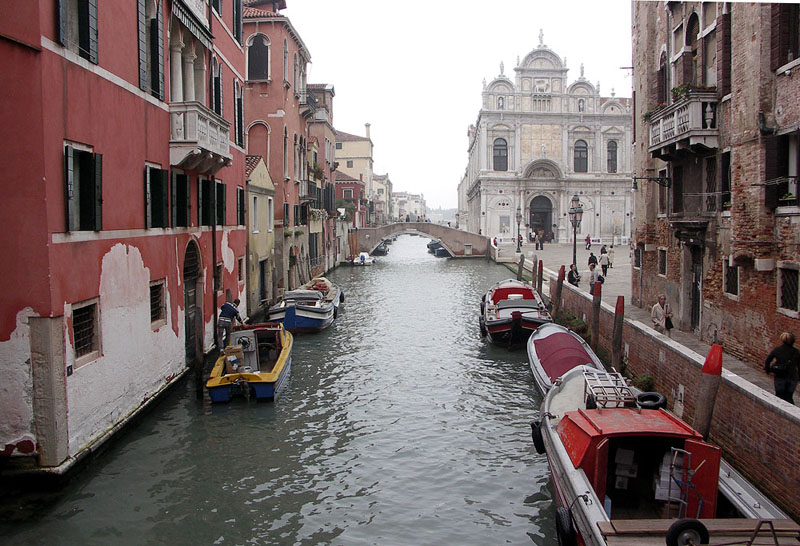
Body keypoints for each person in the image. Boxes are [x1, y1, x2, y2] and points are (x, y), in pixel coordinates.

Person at [764, 332, 800, 404]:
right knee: (789, 397)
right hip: (792, 377)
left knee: (779, 396)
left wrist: (768, 370)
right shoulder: (796, 352)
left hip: (780, 376)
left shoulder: (777, 350)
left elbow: (768, 360)